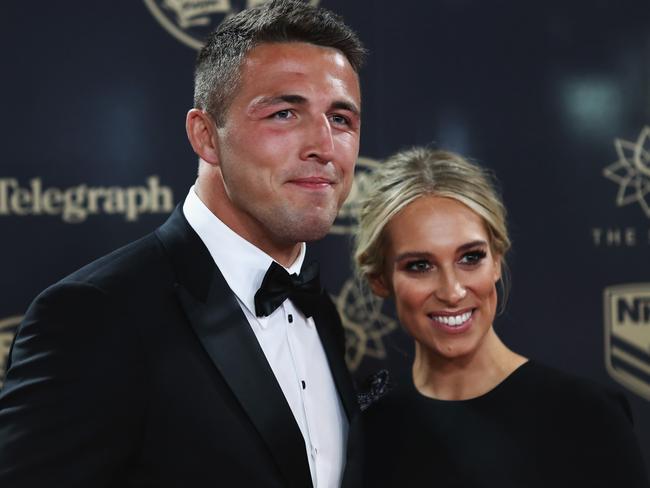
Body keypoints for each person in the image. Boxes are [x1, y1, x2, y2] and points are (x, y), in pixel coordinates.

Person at [0, 1, 365, 487]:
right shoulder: (96, 315)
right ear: (206, 136)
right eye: (284, 113)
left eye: (341, 119)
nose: (324, 145)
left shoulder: (324, 314)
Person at [354, 147, 649, 487]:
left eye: (470, 258)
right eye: (420, 266)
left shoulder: (587, 418)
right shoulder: (368, 428)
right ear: (379, 279)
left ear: (497, 260)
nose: (452, 292)